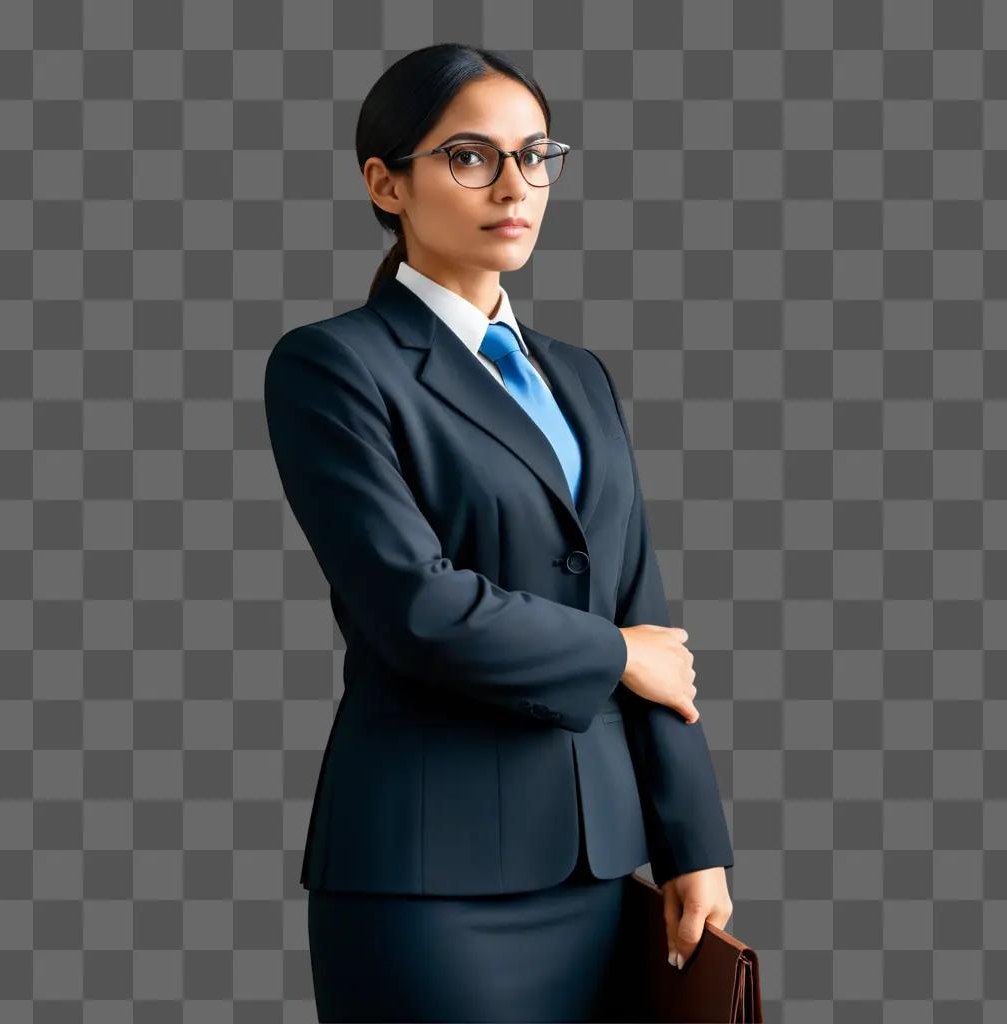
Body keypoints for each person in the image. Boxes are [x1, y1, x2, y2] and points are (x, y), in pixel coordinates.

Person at [263, 41, 735, 1023]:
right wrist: (611, 653)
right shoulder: (333, 367)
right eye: (470, 156)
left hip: (600, 866)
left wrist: (694, 841)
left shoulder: (581, 377)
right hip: (428, 877)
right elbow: (416, 607)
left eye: (535, 155)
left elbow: (649, 620)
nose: (513, 185)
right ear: (384, 182)